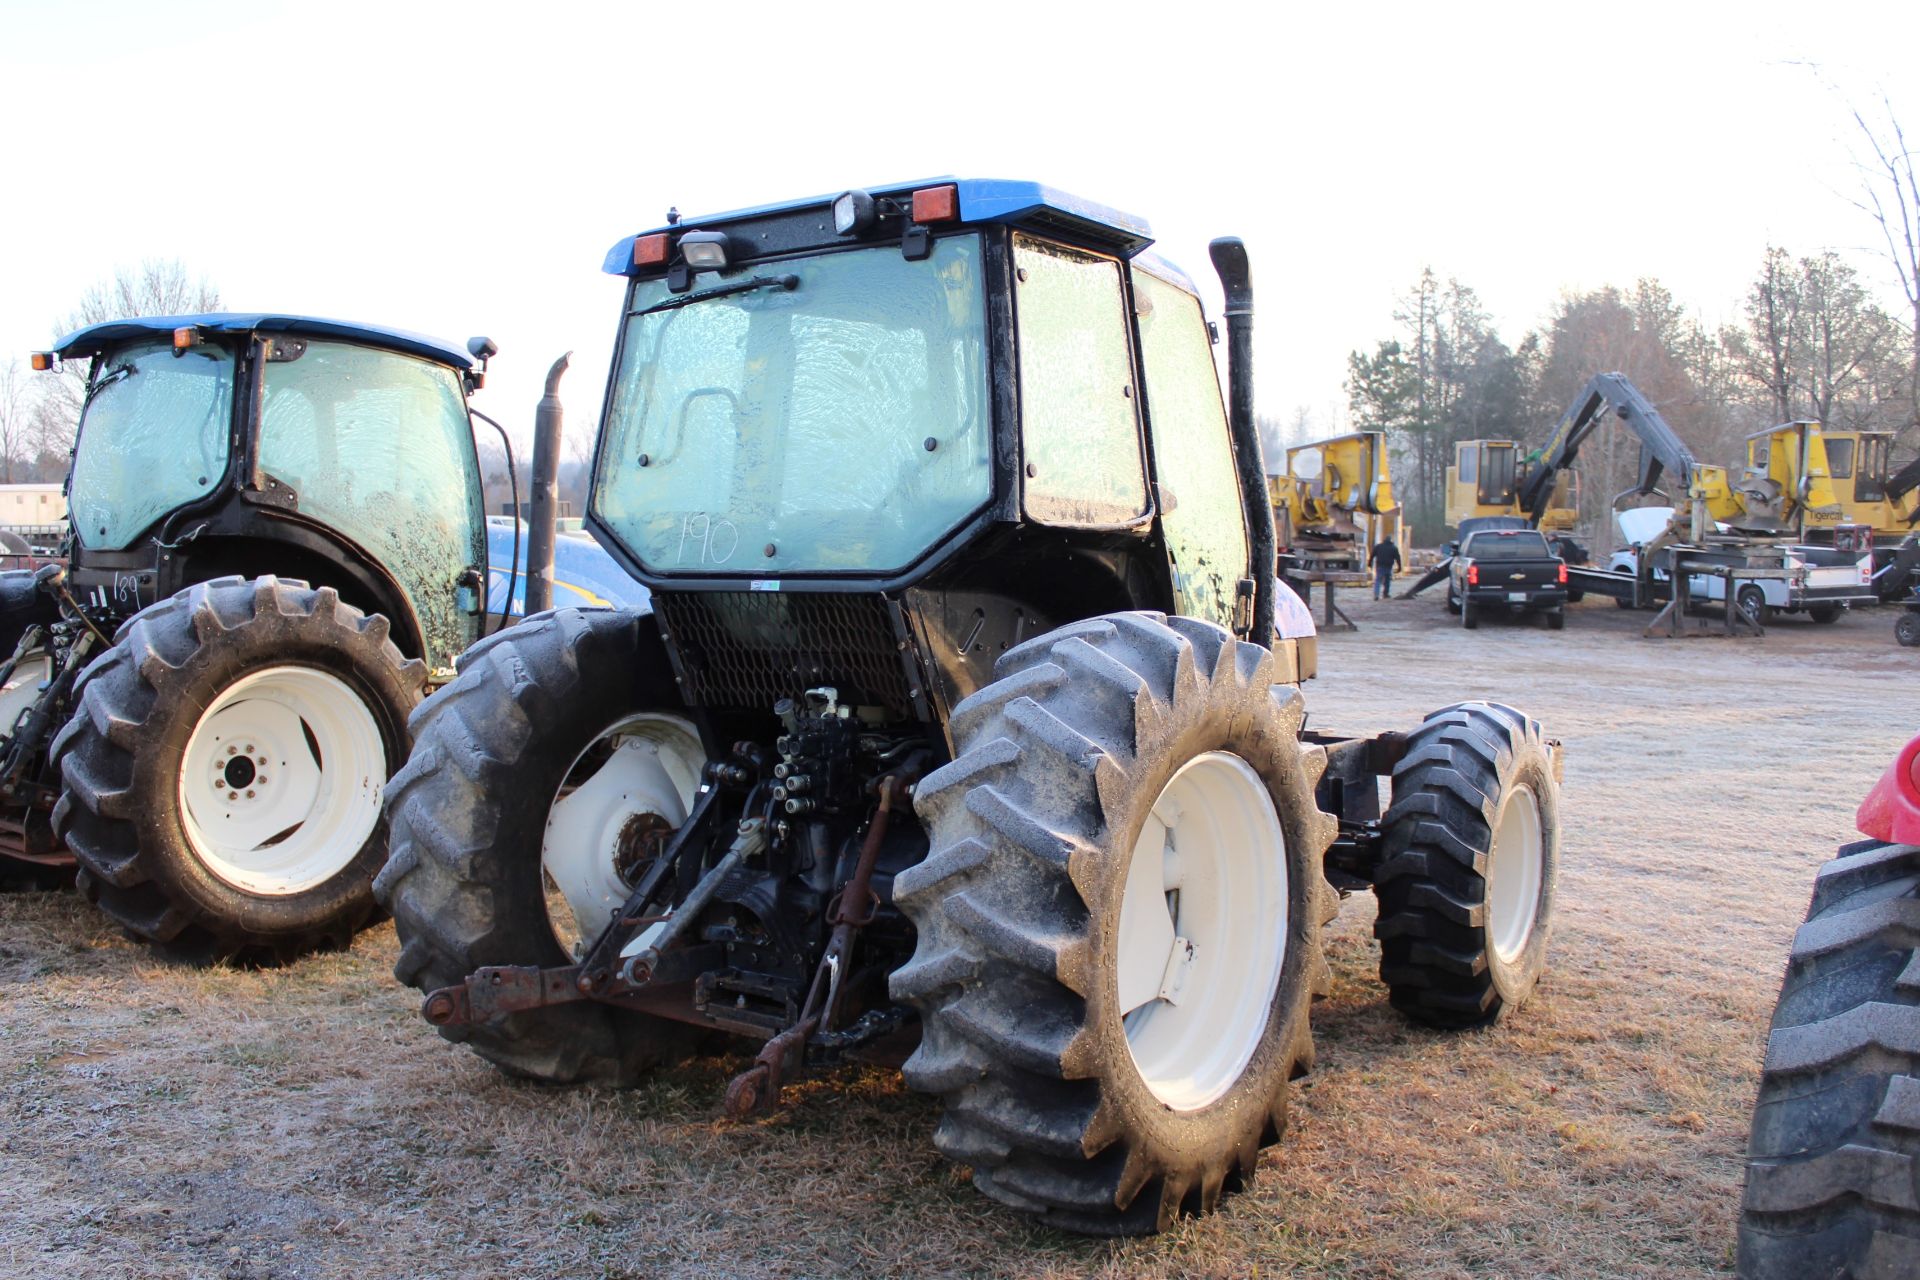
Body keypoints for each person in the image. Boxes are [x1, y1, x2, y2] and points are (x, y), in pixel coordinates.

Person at [1369, 535, 1401, 600]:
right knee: (1387, 581)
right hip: (1388, 567)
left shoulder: (1378, 546)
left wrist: (1369, 563)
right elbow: (1398, 558)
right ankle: (1385, 594)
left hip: (1380, 566)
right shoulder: (1394, 548)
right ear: (1391, 541)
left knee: (1378, 580)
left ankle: (1376, 595)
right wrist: (1399, 567)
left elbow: (1372, 555)